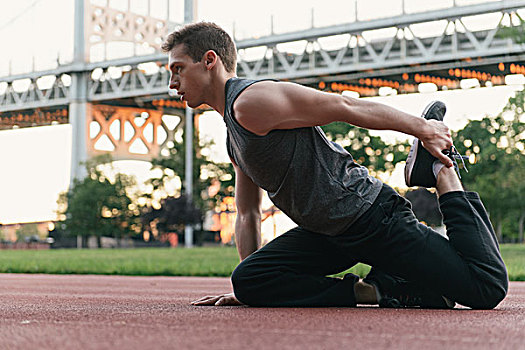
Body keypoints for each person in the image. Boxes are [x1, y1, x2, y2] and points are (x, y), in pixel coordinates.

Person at [162, 22, 508, 309]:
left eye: (178, 69)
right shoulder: (233, 137)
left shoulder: (251, 101)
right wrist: (246, 291)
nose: (171, 83)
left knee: (486, 288)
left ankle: (441, 172)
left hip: (370, 217)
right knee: (250, 280)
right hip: (327, 234)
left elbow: (344, 105)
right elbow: (246, 213)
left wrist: (424, 130)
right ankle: (378, 289)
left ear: (210, 60)